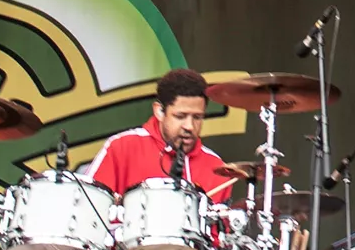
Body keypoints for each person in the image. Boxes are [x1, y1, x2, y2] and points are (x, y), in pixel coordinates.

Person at [89, 68, 242, 202]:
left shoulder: (216, 168)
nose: (189, 126)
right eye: (180, 116)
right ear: (159, 111)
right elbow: (90, 208)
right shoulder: (121, 147)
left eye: (197, 117)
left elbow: (218, 234)